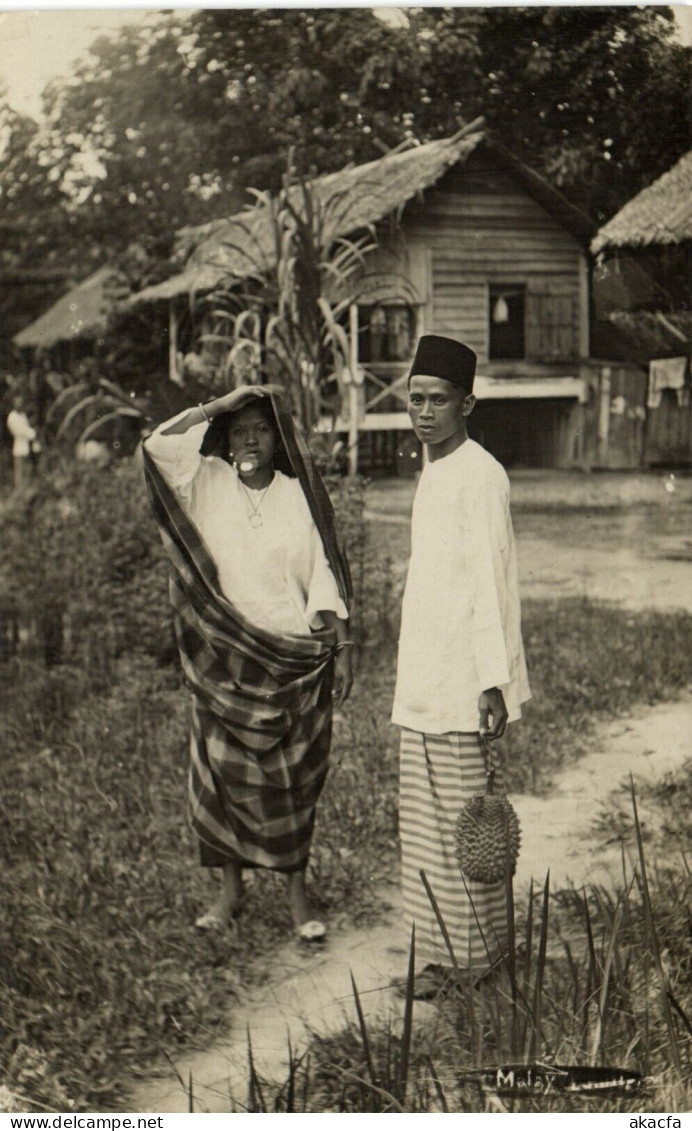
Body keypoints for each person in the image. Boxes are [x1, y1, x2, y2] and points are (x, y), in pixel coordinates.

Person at [143, 385, 354, 941]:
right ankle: (229, 893)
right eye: (239, 430)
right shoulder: (206, 482)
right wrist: (218, 404)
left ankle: (297, 901)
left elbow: (323, 574)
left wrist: (344, 644)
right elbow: (157, 448)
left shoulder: (297, 495)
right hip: (222, 657)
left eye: (261, 428)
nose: (250, 440)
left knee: (291, 784)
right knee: (221, 778)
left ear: (277, 436)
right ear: (224, 438)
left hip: (290, 659)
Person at [392, 334, 531, 998]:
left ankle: (482, 963)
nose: (423, 411)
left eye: (438, 399)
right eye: (414, 398)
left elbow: (493, 582)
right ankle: (444, 956)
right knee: (425, 823)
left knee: (466, 821)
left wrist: (492, 682)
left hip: (462, 681)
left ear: (467, 402)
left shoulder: (481, 474)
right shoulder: (432, 468)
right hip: (423, 673)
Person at [6, 393, 39, 490]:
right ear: (14, 404)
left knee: (28, 475)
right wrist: (32, 433)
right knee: (20, 477)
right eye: (17, 403)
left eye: (21, 403)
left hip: (27, 449)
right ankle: (20, 497)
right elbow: (21, 431)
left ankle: (25, 497)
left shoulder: (23, 415)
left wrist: (32, 435)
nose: (20, 405)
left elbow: (27, 428)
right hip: (19, 450)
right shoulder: (12, 417)